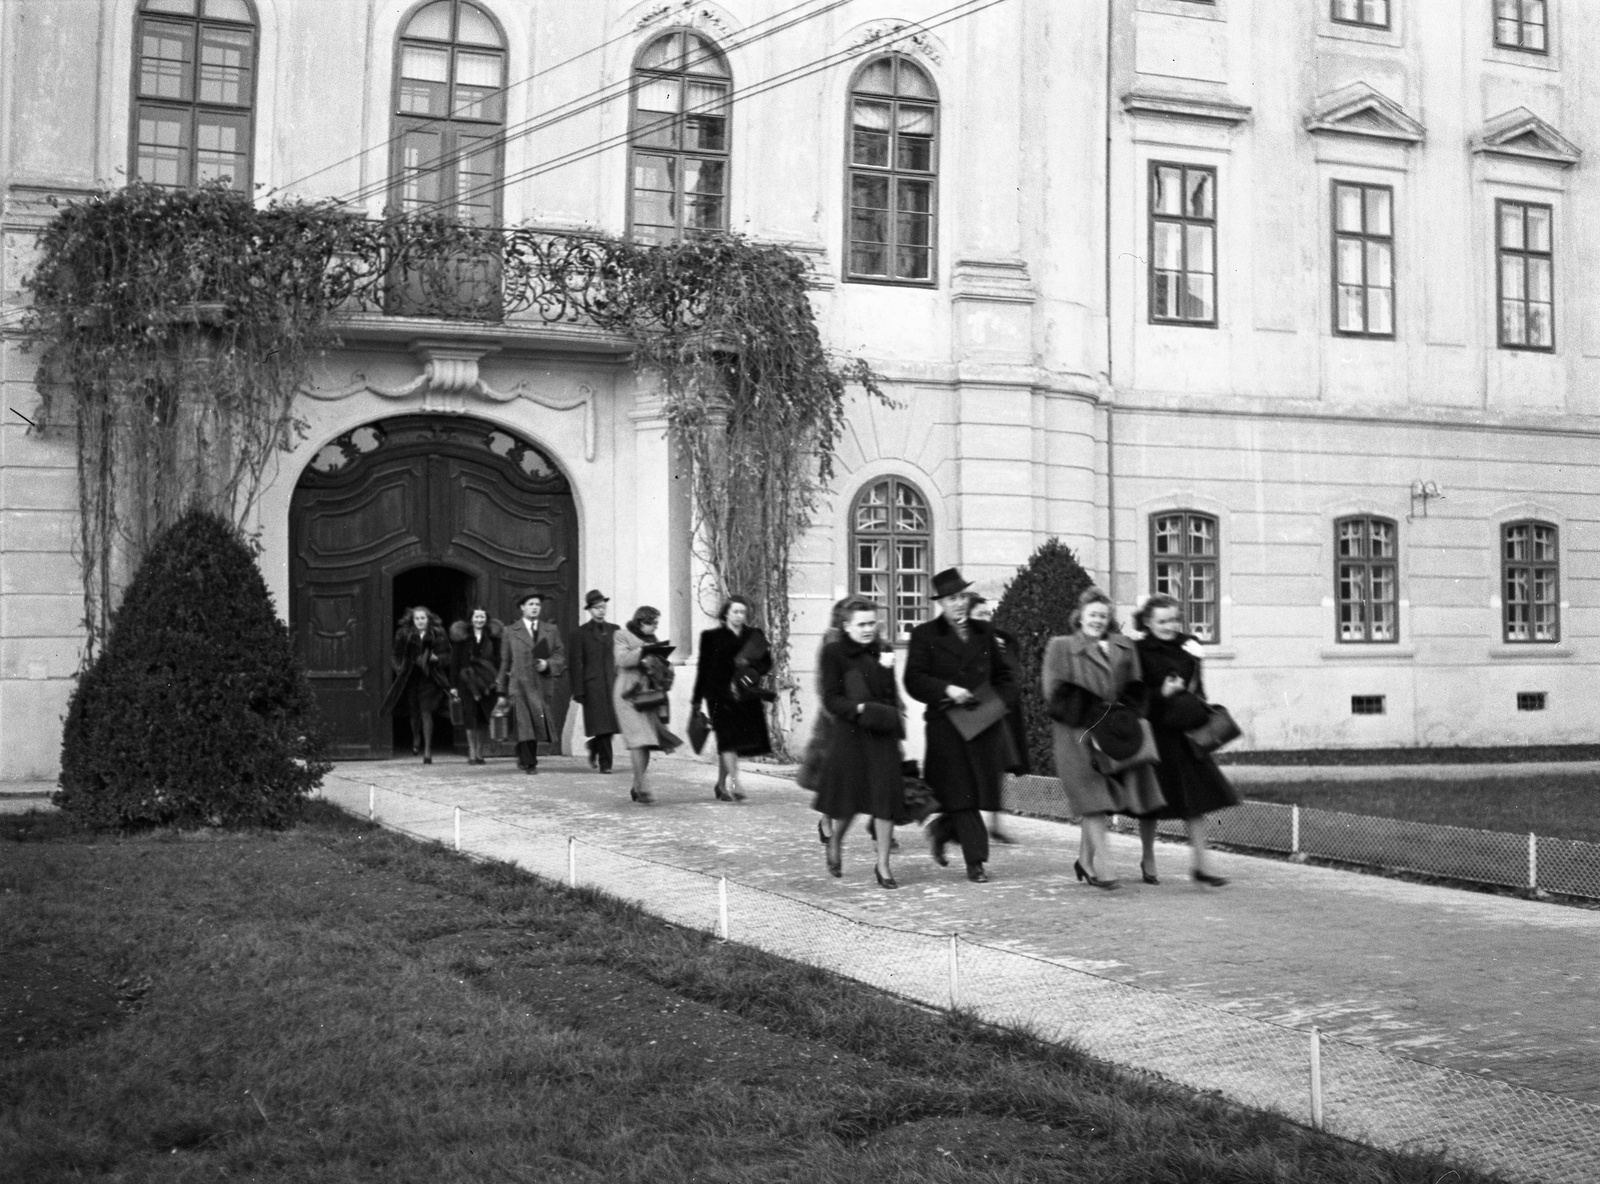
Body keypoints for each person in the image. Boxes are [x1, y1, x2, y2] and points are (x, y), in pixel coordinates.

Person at [1041, 586, 1164, 889]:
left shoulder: (1122, 646)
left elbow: (1136, 689)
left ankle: (1085, 862)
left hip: (1112, 734)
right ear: (1079, 617)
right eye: (1092, 614)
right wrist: (1096, 718)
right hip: (1076, 734)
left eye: (1103, 615)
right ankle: (1106, 869)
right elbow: (1054, 693)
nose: (1098, 620)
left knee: (1102, 796)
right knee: (1092, 796)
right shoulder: (1061, 646)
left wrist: (1122, 721)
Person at [904, 567, 1017, 884]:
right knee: (963, 793)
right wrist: (947, 690)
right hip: (945, 725)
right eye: (952, 598)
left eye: (962, 597)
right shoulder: (925, 635)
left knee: (973, 792)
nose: (958, 604)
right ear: (940, 602)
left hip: (982, 722)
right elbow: (913, 680)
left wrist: (998, 702)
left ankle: (941, 831)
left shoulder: (984, 632)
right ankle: (976, 861)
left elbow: (1006, 677)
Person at [1131, 593, 1240, 887]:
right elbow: (1132, 694)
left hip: (1184, 734)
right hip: (1155, 734)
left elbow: (1198, 687)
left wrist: (1194, 704)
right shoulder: (1138, 650)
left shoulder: (1189, 646)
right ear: (1148, 622)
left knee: (1195, 801)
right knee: (1151, 802)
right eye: (1162, 620)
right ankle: (1148, 857)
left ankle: (1201, 865)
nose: (1169, 626)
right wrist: (1161, 693)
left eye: (1174, 619)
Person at [812, 595, 906, 888]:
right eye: (861, 624)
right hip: (850, 735)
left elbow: (890, 693)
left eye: (872, 623)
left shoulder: (884, 650)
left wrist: (893, 724)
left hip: (882, 734)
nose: (868, 629)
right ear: (846, 625)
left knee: (885, 800)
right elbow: (831, 699)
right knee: (850, 801)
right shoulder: (834, 652)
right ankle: (835, 842)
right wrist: (859, 709)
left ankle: (883, 867)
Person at [691, 595, 773, 801]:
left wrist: (752, 668)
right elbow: (703, 669)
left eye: (743, 612)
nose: (739, 616)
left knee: (732, 743)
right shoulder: (710, 637)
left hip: (744, 693)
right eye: (735, 611)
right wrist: (697, 699)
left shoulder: (754, 635)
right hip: (718, 694)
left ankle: (720, 785)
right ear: (726, 613)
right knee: (726, 739)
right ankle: (735, 784)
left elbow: (767, 663)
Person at [968, 590, 1029, 843]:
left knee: (998, 768)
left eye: (988, 613)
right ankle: (971, 823)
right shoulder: (964, 642)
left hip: (1003, 712)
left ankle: (994, 823)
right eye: (980, 613)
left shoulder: (1003, 640)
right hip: (975, 713)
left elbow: (1013, 673)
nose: (986, 617)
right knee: (974, 769)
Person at [614, 605, 680, 803]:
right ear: (640, 621)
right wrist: (644, 651)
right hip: (627, 695)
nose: (654, 628)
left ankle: (637, 785)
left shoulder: (654, 641)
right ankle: (643, 786)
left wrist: (665, 667)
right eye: (651, 623)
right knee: (638, 740)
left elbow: (661, 665)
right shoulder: (622, 635)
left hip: (648, 697)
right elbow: (622, 659)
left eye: (656, 624)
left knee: (648, 741)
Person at [497, 591, 566, 774]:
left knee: (537, 722)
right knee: (524, 723)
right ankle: (529, 762)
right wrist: (501, 690)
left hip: (541, 685)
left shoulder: (551, 630)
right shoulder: (510, 631)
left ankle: (523, 755)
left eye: (537, 604)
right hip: (519, 685)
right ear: (522, 607)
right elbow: (505, 661)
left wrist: (548, 664)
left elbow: (559, 655)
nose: (535, 607)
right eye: (531, 604)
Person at [380, 606, 452, 763]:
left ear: (429, 619)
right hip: (411, 677)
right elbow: (395, 655)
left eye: (423, 618)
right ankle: (416, 736)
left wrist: (436, 659)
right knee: (414, 712)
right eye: (417, 618)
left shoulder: (438, 633)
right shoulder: (403, 634)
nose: (420, 621)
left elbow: (448, 656)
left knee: (426, 712)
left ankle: (427, 752)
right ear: (412, 620)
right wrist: (400, 669)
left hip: (430, 678)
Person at [568, 589, 620, 773]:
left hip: (613, 684)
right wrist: (578, 690)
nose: (601, 611)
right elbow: (575, 664)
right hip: (593, 686)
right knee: (603, 725)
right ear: (589, 610)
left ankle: (593, 745)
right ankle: (606, 764)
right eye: (597, 608)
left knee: (613, 725)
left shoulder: (615, 630)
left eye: (603, 607)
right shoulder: (580, 633)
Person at [448, 607, 502, 765]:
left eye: (482, 617)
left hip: (487, 683)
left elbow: (499, 659)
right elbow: (454, 662)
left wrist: (498, 678)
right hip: (467, 683)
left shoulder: (493, 638)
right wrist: (453, 686)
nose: (479, 620)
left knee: (484, 717)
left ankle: (480, 751)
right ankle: (472, 751)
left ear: (486, 619)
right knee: (470, 716)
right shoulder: (462, 638)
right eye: (476, 617)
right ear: (471, 619)